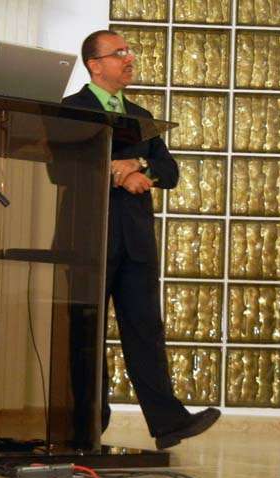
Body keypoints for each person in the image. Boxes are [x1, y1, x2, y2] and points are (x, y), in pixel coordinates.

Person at [62, 29, 221, 450]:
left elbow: (169, 172)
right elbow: (59, 170)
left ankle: (168, 423)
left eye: (129, 52)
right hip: (87, 240)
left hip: (136, 243)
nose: (129, 59)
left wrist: (140, 169)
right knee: (86, 335)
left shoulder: (140, 113)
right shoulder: (69, 109)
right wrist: (118, 169)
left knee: (146, 330)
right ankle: (86, 426)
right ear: (95, 64)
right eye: (119, 53)